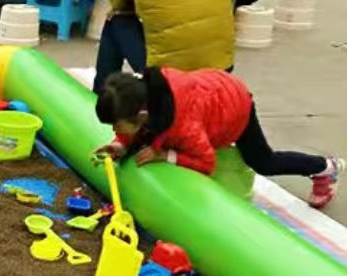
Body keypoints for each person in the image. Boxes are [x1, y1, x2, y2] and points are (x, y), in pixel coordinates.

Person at [94, 69, 343, 209]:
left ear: (142, 114)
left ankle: (324, 167)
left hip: (234, 106)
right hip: (210, 94)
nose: (116, 129)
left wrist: (164, 155)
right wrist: (120, 144)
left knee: (263, 162)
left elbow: (206, 162)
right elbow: (137, 128)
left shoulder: (185, 125)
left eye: (117, 126)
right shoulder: (142, 96)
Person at [93, 0, 258, 94]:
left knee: (117, 19)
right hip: (221, 65)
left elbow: (121, 5)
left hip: (172, 76)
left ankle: (101, 98)